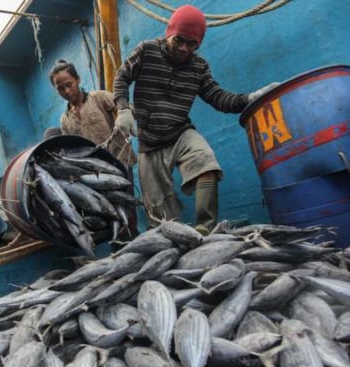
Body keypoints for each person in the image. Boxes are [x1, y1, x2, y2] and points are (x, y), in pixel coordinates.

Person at [112, 5, 278, 235]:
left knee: (205, 163)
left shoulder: (199, 67)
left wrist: (249, 98)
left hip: (181, 133)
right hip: (150, 141)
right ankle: (174, 245)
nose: (184, 48)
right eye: (179, 40)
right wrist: (123, 109)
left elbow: (219, 98)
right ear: (169, 33)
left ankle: (205, 230)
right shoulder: (146, 50)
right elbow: (121, 77)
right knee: (161, 219)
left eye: (192, 44)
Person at [49, 59, 136, 167]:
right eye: (61, 88)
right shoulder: (65, 120)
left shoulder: (99, 97)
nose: (67, 91)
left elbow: (126, 109)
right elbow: (74, 149)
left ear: (78, 79)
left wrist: (126, 113)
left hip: (120, 161)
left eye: (69, 84)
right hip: (96, 170)